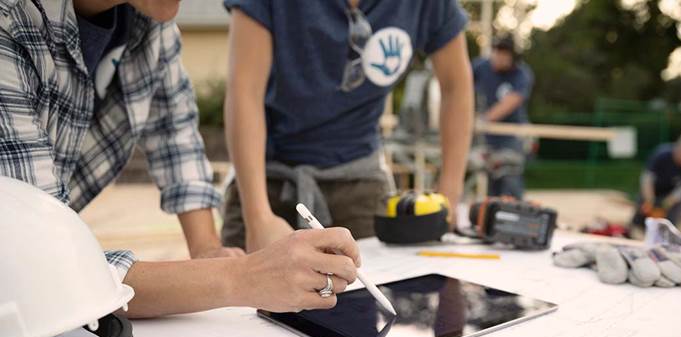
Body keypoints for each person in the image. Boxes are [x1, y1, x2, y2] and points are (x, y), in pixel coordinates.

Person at [0, 0, 361, 317]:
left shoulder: (149, 22)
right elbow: (48, 267)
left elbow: (177, 135)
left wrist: (206, 249)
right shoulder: (10, 21)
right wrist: (243, 277)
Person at [220, 0, 474, 252]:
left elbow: (456, 86)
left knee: (380, 288)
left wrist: (449, 196)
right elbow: (245, 91)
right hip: (266, 180)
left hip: (360, 179)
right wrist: (258, 219)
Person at [472, 36, 534, 200]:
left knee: (510, 178)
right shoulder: (481, 66)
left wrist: (483, 119)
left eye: (504, 54)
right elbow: (460, 84)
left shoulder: (522, 74)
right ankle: (492, 215)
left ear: (513, 57)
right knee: (492, 183)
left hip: (511, 135)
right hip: (489, 136)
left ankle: (514, 214)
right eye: (496, 52)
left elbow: (511, 102)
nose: (498, 57)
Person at [632, 125, 681, 227]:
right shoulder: (662, 154)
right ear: (678, 148)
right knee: (643, 206)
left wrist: (668, 202)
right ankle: (636, 225)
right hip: (653, 188)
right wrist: (649, 199)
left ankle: (669, 228)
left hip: (671, 192)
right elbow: (647, 178)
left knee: (674, 210)